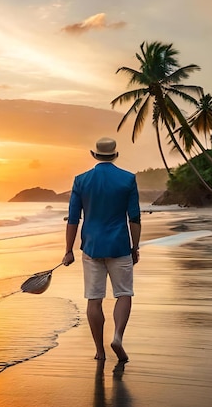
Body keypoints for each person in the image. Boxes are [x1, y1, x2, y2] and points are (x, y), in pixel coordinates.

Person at [62, 137, 141, 362]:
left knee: (94, 299)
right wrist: (135, 247)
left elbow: (73, 219)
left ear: (94, 155)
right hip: (119, 244)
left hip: (92, 246)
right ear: (115, 155)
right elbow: (134, 217)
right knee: (124, 293)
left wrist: (68, 250)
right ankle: (117, 336)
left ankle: (100, 350)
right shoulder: (128, 179)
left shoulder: (81, 180)